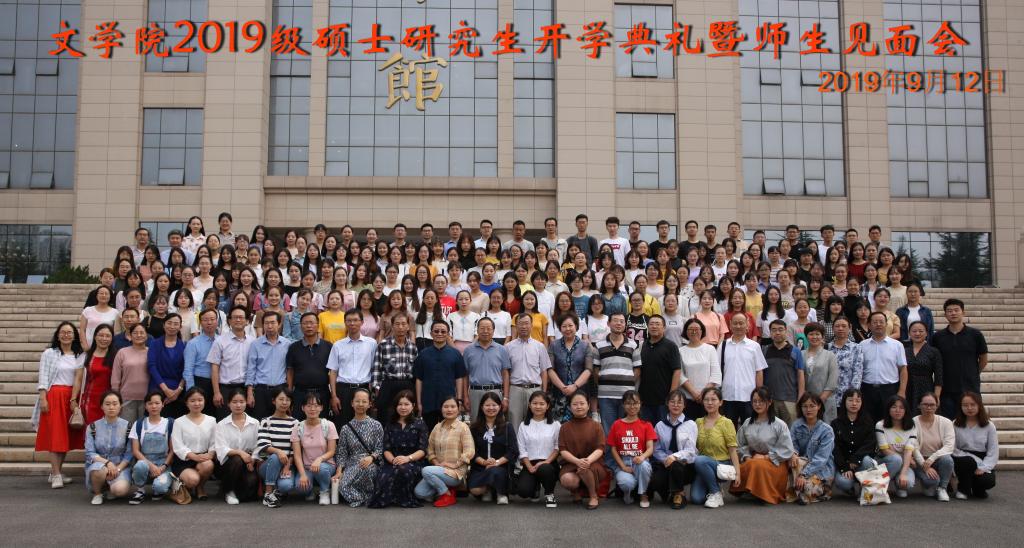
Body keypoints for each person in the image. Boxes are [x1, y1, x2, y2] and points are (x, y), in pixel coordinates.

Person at [34, 321, 86, 489]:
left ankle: (56, 472)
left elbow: (78, 378)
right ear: (57, 335)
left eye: (69, 332)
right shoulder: (49, 353)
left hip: (71, 397)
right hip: (54, 395)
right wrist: (43, 398)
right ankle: (56, 474)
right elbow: (43, 376)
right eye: (63, 332)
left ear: (74, 336)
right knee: (55, 436)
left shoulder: (79, 355)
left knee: (65, 437)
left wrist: (74, 400)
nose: (66, 335)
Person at [730, 387, 795, 504]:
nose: (757, 404)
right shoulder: (747, 423)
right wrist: (746, 457)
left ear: (769, 402)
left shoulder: (779, 424)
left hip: (775, 463)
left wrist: (766, 457)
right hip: (753, 459)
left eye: (761, 401)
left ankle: (762, 493)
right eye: (754, 401)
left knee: (757, 465)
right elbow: (739, 444)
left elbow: (787, 449)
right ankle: (751, 490)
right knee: (751, 465)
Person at [367, 390, 429, 508]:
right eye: (400, 404)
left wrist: (407, 458)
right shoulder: (390, 424)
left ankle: (402, 499)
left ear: (413, 405)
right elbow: (386, 449)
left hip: (414, 461)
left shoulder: (420, 424)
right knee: (383, 474)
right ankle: (387, 499)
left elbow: (423, 450)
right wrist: (393, 460)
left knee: (402, 470)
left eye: (406, 404)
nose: (403, 407)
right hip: (392, 461)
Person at [930, 299, 988, 419]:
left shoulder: (975, 335)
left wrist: (973, 373)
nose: (953, 313)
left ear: (963, 312)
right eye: (949, 311)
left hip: (970, 387)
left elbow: (983, 359)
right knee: (948, 422)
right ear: (945, 315)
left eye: (956, 310)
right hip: (946, 389)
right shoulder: (937, 337)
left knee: (972, 421)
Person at [415, 396, 474, 507]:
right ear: (441, 409)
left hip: (455, 473)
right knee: (419, 493)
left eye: (452, 406)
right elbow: (430, 449)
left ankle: (446, 494)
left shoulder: (463, 427)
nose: (449, 409)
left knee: (426, 471)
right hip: (438, 469)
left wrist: (455, 465)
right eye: (446, 407)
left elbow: (469, 451)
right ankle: (447, 488)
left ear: (458, 409)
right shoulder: (437, 428)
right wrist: (436, 463)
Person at [280, 392, 337, 505]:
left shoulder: (328, 425)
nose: (312, 409)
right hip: (307, 467)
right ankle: (310, 492)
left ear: (321, 408)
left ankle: (324, 491)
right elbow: (297, 455)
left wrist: (319, 459)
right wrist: (302, 475)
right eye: (309, 405)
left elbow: (332, 451)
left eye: (316, 405)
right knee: (301, 487)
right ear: (303, 408)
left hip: (326, 465)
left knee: (321, 468)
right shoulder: (298, 427)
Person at [332, 388, 384, 506]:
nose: (360, 404)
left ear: (369, 404)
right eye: (357, 401)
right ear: (352, 403)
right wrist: (339, 471)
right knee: (343, 486)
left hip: (371, 461)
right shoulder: (346, 428)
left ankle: (366, 496)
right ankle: (368, 498)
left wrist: (371, 457)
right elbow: (342, 452)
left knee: (368, 470)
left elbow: (380, 447)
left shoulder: (376, 425)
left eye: (364, 401)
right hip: (352, 463)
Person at [326, 310, 377, 428]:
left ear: (362, 322)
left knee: (364, 426)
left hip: (364, 389)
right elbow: (333, 372)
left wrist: (373, 393)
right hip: (343, 390)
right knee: (342, 425)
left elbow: (374, 369)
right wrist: (334, 396)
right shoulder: (338, 345)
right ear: (345, 322)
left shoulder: (372, 344)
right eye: (349, 320)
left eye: (355, 320)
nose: (352, 323)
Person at [691, 387, 741, 508]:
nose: (709, 403)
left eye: (713, 399)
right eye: (706, 399)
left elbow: (732, 450)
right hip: (702, 465)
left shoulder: (726, 422)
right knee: (696, 498)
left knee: (700, 459)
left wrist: (738, 473)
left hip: (721, 464)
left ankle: (715, 493)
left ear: (721, 402)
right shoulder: (698, 422)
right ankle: (714, 487)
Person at [413, 320, 468, 430]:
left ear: (448, 334)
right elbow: (419, 380)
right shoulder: (423, 354)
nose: (439, 334)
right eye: (436, 331)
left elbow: (459, 378)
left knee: (449, 432)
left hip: (449, 403)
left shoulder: (455, 354)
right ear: (431, 333)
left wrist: (459, 400)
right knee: (429, 433)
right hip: (428, 401)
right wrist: (419, 403)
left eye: (443, 331)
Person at [558, 392, 609, 510]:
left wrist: (587, 461)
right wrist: (577, 461)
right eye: (575, 404)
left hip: (594, 463)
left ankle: (593, 495)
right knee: (567, 480)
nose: (579, 407)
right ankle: (575, 492)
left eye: (582, 403)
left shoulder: (597, 426)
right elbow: (563, 450)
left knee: (583, 468)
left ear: (588, 405)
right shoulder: (564, 427)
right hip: (571, 463)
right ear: (570, 407)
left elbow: (600, 448)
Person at [607, 390, 657, 507]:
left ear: (640, 404)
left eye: (635, 403)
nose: (632, 406)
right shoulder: (617, 424)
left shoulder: (646, 425)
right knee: (626, 484)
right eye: (628, 403)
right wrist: (623, 466)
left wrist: (642, 457)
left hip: (640, 460)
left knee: (643, 466)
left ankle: (643, 493)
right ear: (623, 405)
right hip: (624, 461)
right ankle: (628, 492)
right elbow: (613, 449)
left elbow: (650, 448)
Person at [467, 393, 519, 504]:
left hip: (501, 467)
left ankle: (501, 492)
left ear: (500, 407)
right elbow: (471, 451)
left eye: (494, 405)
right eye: (487, 405)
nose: (491, 408)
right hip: (481, 467)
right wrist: (484, 462)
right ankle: (489, 489)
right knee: (475, 490)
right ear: (482, 407)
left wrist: (496, 462)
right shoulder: (474, 428)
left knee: (495, 472)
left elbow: (513, 451)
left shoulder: (507, 426)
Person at [84, 390, 133, 504]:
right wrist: (107, 463)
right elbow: (90, 453)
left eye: (115, 404)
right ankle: (97, 493)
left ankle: (110, 489)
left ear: (120, 406)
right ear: (102, 406)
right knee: (99, 470)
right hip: (99, 465)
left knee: (119, 490)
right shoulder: (92, 427)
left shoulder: (128, 427)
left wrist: (117, 469)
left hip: (120, 466)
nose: (111, 407)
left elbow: (129, 453)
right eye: (107, 404)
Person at [718, 314, 767, 426]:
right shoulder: (723, 345)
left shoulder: (754, 346)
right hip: (727, 396)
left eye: (741, 323)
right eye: (735, 323)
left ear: (747, 325)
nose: (738, 326)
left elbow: (759, 371)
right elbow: (717, 370)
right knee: (729, 430)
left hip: (749, 396)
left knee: (750, 429)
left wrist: (758, 393)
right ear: (730, 325)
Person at [859, 312, 908, 424]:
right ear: (869, 325)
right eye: (875, 322)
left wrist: (901, 391)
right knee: (867, 421)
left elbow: (903, 369)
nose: (878, 324)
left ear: (886, 324)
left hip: (889, 390)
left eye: (881, 322)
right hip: (867, 389)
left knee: (888, 421)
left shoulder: (897, 345)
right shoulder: (862, 345)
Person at [208, 306, 256, 421]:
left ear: (247, 321)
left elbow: (254, 368)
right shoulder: (220, 341)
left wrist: (250, 392)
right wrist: (216, 392)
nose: (238, 320)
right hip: (225, 389)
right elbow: (214, 367)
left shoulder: (253, 342)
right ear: (229, 321)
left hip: (245, 388)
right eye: (235, 317)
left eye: (241, 317)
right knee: (224, 422)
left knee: (245, 423)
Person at [515, 391, 562, 507]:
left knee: (545, 469)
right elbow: (522, 449)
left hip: (549, 463)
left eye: (542, 404)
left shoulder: (555, 425)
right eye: (535, 403)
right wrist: (529, 467)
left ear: (548, 406)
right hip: (530, 464)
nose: (538, 406)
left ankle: (549, 494)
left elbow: (557, 448)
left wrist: (546, 462)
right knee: (523, 491)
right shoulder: (523, 425)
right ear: (529, 405)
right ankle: (535, 487)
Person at [254, 387, 298, 507]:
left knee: (286, 486)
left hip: (286, 465)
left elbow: (294, 450)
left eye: (288, 400)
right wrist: (278, 452)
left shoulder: (295, 423)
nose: (284, 402)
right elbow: (263, 444)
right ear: (274, 401)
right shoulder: (266, 421)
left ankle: (278, 491)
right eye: (281, 399)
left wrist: (287, 466)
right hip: (267, 465)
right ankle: (268, 494)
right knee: (274, 457)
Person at [214, 389, 260, 504]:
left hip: (249, 461)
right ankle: (229, 491)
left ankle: (227, 489)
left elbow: (259, 445)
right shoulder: (221, 424)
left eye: (241, 402)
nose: (238, 405)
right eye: (234, 402)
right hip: (229, 463)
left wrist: (253, 460)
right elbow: (221, 448)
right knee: (237, 459)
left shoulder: (255, 423)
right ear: (228, 404)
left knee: (250, 486)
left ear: (246, 403)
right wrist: (240, 452)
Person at [507, 314, 553, 429]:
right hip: (515, 389)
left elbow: (544, 371)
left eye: (526, 323)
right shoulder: (508, 347)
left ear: (531, 325)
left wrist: (543, 392)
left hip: (534, 390)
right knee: (514, 423)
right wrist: (506, 395)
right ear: (516, 326)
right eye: (520, 324)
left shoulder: (540, 346)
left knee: (535, 423)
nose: (524, 326)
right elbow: (506, 372)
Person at [171, 387, 217, 501]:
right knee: (193, 480)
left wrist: (210, 454)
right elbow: (178, 446)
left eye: (200, 400)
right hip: (184, 460)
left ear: (204, 401)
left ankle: (200, 488)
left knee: (208, 465)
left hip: (203, 458)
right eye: (192, 401)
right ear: (186, 403)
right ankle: (184, 485)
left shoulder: (211, 420)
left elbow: (215, 442)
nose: (197, 403)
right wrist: (194, 456)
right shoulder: (179, 422)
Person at [128, 392, 174, 504]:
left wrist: (163, 467)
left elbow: (172, 451)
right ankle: (140, 490)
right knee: (140, 465)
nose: (154, 406)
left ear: (163, 404)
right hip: (145, 462)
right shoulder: (138, 424)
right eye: (150, 403)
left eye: (157, 403)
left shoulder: (169, 423)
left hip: (163, 464)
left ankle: (158, 488)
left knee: (160, 487)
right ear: (145, 406)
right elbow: (135, 451)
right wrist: (151, 466)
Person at [546, 315, 595, 423]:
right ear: (560, 328)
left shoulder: (585, 345)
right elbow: (550, 369)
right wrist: (562, 387)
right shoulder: (554, 345)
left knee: (581, 424)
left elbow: (588, 369)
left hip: (580, 392)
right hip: (559, 392)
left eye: (570, 325)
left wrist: (574, 386)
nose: (567, 329)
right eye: (564, 326)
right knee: (559, 425)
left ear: (576, 327)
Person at [789, 392, 835, 504]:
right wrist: (793, 453)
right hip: (801, 466)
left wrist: (804, 475)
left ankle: (823, 490)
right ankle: (801, 490)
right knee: (794, 460)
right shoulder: (796, 425)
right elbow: (793, 445)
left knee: (806, 488)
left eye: (812, 406)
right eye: (805, 406)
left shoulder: (827, 430)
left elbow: (821, 458)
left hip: (820, 470)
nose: (808, 409)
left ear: (819, 406)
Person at [372, 314, 419, 421]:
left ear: (408, 326)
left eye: (403, 324)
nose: (400, 327)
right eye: (397, 324)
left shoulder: (412, 347)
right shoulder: (383, 345)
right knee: (385, 418)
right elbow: (376, 368)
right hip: (388, 385)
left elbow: (416, 370)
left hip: (407, 385)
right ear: (392, 326)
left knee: (407, 419)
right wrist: (377, 388)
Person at [245, 311, 292, 420]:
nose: (269, 326)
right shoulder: (255, 344)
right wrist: (250, 393)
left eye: (272, 322)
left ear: (279, 324)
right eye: (266, 323)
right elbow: (251, 369)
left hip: (280, 390)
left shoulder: (287, 344)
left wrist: (289, 393)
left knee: (280, 422)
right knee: (261, 422)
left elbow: (289, 370)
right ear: (263, 325)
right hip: (261, 390)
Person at [285, 312, 332, 420]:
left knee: (322, 424)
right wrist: (289, 394)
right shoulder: (293, 347)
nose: (309, 326)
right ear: (301, 326)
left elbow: (333, 372)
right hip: (300, 393)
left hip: (322, 393)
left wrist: (333, 395)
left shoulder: (328, 346)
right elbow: (290, 371)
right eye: (305, 323)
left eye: (311, 323)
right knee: (299, 423)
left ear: (318, 325)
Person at [952, 392, 998, 499]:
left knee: (987, 481)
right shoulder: (955, 424)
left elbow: (993, 451)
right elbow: (953, 448)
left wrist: (983, 467)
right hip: (961, 458)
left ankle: (978, 488)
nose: (969, 408)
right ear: (961, 407)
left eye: (973, 404)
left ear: (979, 405)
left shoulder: (989, 426)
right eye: (965, 405)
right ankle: (963, 489)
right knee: (967, 462)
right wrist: (972, 459)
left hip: (982, 458)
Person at [463, 317, 511, 420]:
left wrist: (506, 397)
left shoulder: (502, 349)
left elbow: (505, 374)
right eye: (482, 328)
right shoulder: (468, 350)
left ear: (493, 331)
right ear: (477, 330)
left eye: (488, 328)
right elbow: (465, 375)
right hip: (475, 392)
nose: (485, 331)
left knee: (497, 423)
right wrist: (465, 396)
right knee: (476, 423)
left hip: (495, 391)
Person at [638, 315, 682, 424]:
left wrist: (671, 395)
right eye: (651, 324)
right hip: (644, 400)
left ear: (664, 328)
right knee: (646, 430)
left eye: (657, 324)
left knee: (663, 430)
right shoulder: (642, 345)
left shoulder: (671, 346)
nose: (654, 326)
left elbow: (677, 370)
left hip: (664, 400)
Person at [912, 392, 955, 501]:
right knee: (931, 483)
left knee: (947, 459)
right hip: (920, 461)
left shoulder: (946, 422)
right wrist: (924, 465)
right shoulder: (912, 422)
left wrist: (932, 458)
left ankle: (942, 488)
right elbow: (913, 447)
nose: (929, 407)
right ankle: (931, 484)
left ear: (937, 405)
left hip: (937, 459)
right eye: (925, 404)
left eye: (932, 405)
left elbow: (949, 446)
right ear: (919, 405)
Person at [762, 319, 806, 425]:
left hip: (790, 399)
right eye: (774, 330)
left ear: (786, 331)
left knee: (791, 429)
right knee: (772, 429)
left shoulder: (795, 351)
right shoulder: (765, 350)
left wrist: (800, 397)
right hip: (770, 400)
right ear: (770, 333)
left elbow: (800, 375)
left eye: (780, 329)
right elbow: (760, 374)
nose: (777, 332)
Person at [875, 395, 918, 498]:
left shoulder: (911, 426)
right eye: (894, 407)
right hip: (884, 461)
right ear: (888, 409)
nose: (898, 410)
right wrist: (906, 459)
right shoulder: (880, 425)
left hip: (903, 461)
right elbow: (885, 450)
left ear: (905, 410)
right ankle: (881, 488)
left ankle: (899, 486)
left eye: (901, 407)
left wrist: (903, 473)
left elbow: (908, 451)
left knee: (908, 483)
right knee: (896, 459)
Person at [148, 313, 186, 418]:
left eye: (176, 324)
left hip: (177, 392)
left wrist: (178, 391)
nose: (172, 326)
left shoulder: (184, 346)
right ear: (164, 325)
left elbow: (186, 370)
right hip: (157, 389)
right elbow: (152, 366)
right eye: (169, 323)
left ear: (180, 327)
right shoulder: (154, 343)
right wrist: (165, 389)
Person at [77, 324, 116, 425]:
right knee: (91, 429)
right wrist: (73, 400)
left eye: (107, 336)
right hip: (90, 399)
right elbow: (78, 379)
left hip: (109, 401)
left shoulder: (116, 356)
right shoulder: (87, 355)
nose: (104, 339)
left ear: (112, 338)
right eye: (101, 335)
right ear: (95, 337)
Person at [905, 321, 944, 416]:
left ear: (926, 333)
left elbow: (939, 376)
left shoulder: (933, 351)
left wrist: (936, 396)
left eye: (921, 331)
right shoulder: (904, 350)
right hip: (907, 387)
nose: (917, 333)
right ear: (909, 333)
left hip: (926, 387)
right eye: (914, 331)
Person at [802, 323, 839, 423]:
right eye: (811, 334)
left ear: (822, 337)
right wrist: (807, 399)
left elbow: (833, 380)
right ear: (806, 336)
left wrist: (820, 400)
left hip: (825, 400)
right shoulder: (800, 354)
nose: (814, 337)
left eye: (817, 334)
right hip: (806, 402)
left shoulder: (830, 355)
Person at [828, 317, 864, 417]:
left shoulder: (856, 348)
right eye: (837, 326)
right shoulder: (827, 347)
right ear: (833, 328)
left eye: (844, 326)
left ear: (850, 328)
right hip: (829, 396)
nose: (840, 328)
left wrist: (853, 396)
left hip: (848, 396)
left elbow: (858, 372)